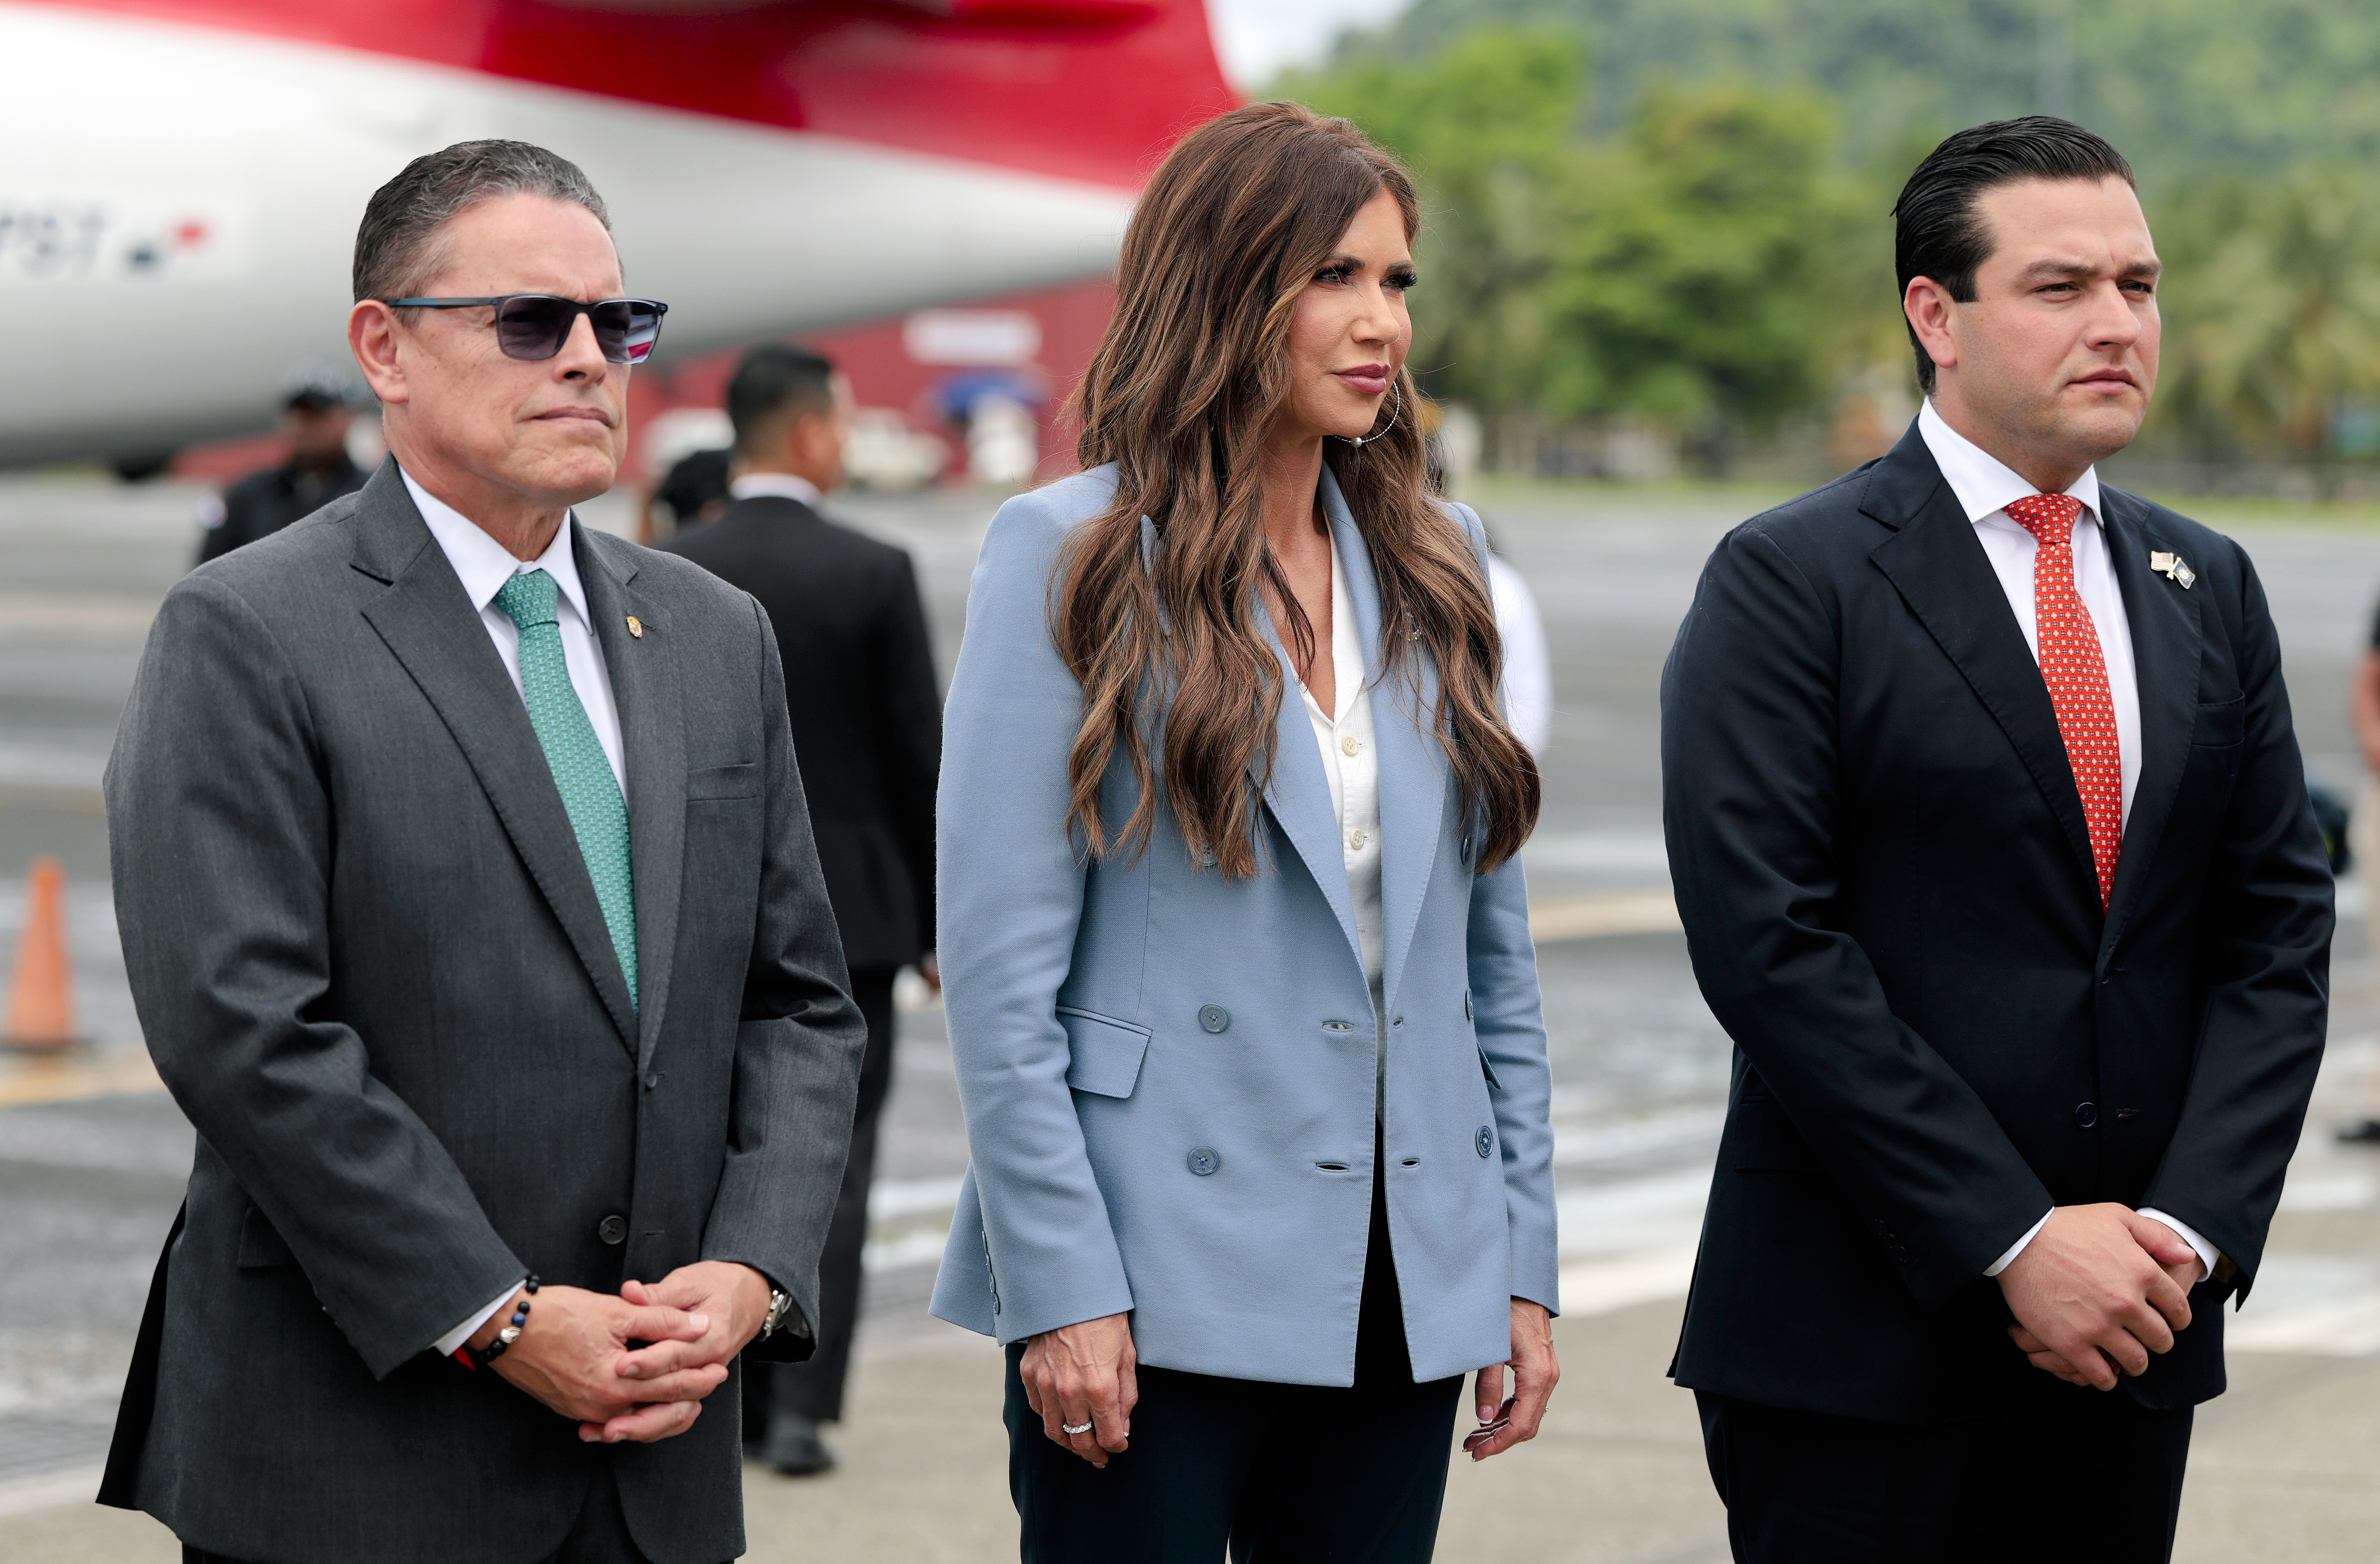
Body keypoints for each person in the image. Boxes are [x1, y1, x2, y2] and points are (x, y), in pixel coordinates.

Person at [99, 140, 867, 1564]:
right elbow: (242, 1028)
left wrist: (752, 1268)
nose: (586, 358)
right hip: (355, 1465)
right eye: (529, 320)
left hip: (653, 1461)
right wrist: (494, 1315)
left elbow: (799, 1003)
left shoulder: (714, 633)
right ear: (382, 349)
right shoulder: (248, 629)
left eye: (616, 323)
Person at [1661, 117, 2333, 1563]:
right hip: (1858, 1341)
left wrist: (2186, 1234)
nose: (2116, 323)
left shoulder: (2206, 583)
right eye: (2060, 286)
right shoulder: (1790, 579)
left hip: (2132, 1334)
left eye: (2137, 286)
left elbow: (2274, 933)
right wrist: (2016, 1237)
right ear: (1935, 314)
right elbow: (1768, 945)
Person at [927, 102, 1561, 1562]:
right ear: (1222, 288)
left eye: (1395, 281)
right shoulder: (1070, 550)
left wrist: (1516, 1252)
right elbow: (1003, 979)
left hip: (1399, 1265)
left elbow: (1490, 965)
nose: (1381, 322)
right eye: (1334, 276)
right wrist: (1061, 1284)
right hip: (1149, 1265)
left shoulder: (1438, 559)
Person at [660, 342, 941, 1476]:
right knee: (838, 1153)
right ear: (815, 432)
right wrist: (936, 922)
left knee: (700, 1149)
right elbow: (918, 755)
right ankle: (799, 1408)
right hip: (858, 916)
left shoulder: (670, 566)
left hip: (698, 906)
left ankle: (715, 1389)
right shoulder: (873, 567)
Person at [192, 363, 369, 565]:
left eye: (318, 414)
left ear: (348, 418)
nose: (307, 425)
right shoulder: (248, 495)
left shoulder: (369, 493)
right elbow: (209, 569)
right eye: (299, 414)